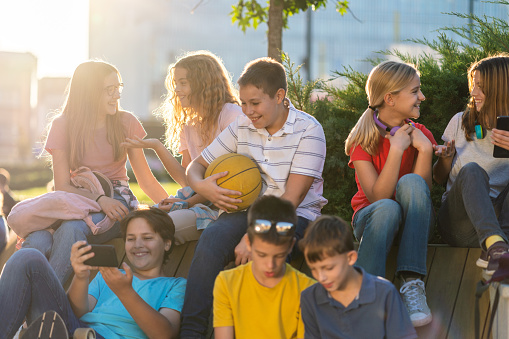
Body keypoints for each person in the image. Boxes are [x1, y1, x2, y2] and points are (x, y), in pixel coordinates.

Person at [181, 57, 327, 337]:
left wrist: (253, 236)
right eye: (243, 103)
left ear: (280, 96)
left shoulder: (309, 130)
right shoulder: (241, 127)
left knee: (266, 253)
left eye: (255, 103)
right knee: (212, 238)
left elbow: (291, 200)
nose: (247, 111)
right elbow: (195, 167)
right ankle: (190, 333)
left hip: (294, 217)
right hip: (245, 211)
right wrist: (204, 188)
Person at [21, 60, 169, 284]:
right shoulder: (62, 125)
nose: (117, 96)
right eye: (109, 90)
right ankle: (36, 313)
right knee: (38, 241)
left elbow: (146, 181)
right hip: (77, 198)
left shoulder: (126, 122)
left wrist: (172, 208)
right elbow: (62, 185)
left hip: (116, 201)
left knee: (71, 230)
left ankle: (44, 309)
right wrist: (99, 200)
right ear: (89, 93)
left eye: (118, 88)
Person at [0, 207, 186, 339]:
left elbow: (164, 334)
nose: (138, 245)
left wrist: (125, 292)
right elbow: (76, 313)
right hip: (74, 330)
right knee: (28, 256)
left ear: (167, 243)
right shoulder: (111, 275)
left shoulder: (175, 286)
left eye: (147, 238)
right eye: (131, 239)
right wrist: (81, 277)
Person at [344, 60, 436, 327]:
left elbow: (421, 193)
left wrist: (427, 151)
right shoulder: (363, 141)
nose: (422, 97)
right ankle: (365, 295)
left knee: (410, 183)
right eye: (415, 91)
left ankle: (412, 284)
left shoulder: (421, 134)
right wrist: (396, 149)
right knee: (388, 208)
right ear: (390, 99)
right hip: (374, 219)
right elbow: (378, 198)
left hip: (414, 224)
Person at [122, 50, 243, 245]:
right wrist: (157, 146)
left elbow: (226, 181)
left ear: (203, 84)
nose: (176, 89)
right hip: (197, 202)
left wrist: (185, 204)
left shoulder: (232, 116)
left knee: (154, 228)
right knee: (139, 223)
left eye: (183, 83)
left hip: (223, 207)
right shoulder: (189, 124)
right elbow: (188, 182)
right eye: (176, 83)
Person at [433, 55, 509, 276]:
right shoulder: (460, 121)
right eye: (473, 85)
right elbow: (438, 179)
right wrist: (445, 159)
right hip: (459, 224)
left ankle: (499, 247)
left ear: (501, 89)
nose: (474, 93)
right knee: (473, 170)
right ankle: (497, 246)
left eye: (481, 87)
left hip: (501, 220)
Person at [213, 195, 315, 339]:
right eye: (262, 255)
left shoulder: (307, 290)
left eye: (279, 256)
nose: (270, 265)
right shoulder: (227, 282)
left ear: (291, 245)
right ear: (248, 242)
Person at [299, 215, 417, 339]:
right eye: (313, 269)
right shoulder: (310, 298)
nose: (321, 277)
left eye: (328, 268)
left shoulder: (385, 293)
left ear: (351, 258)